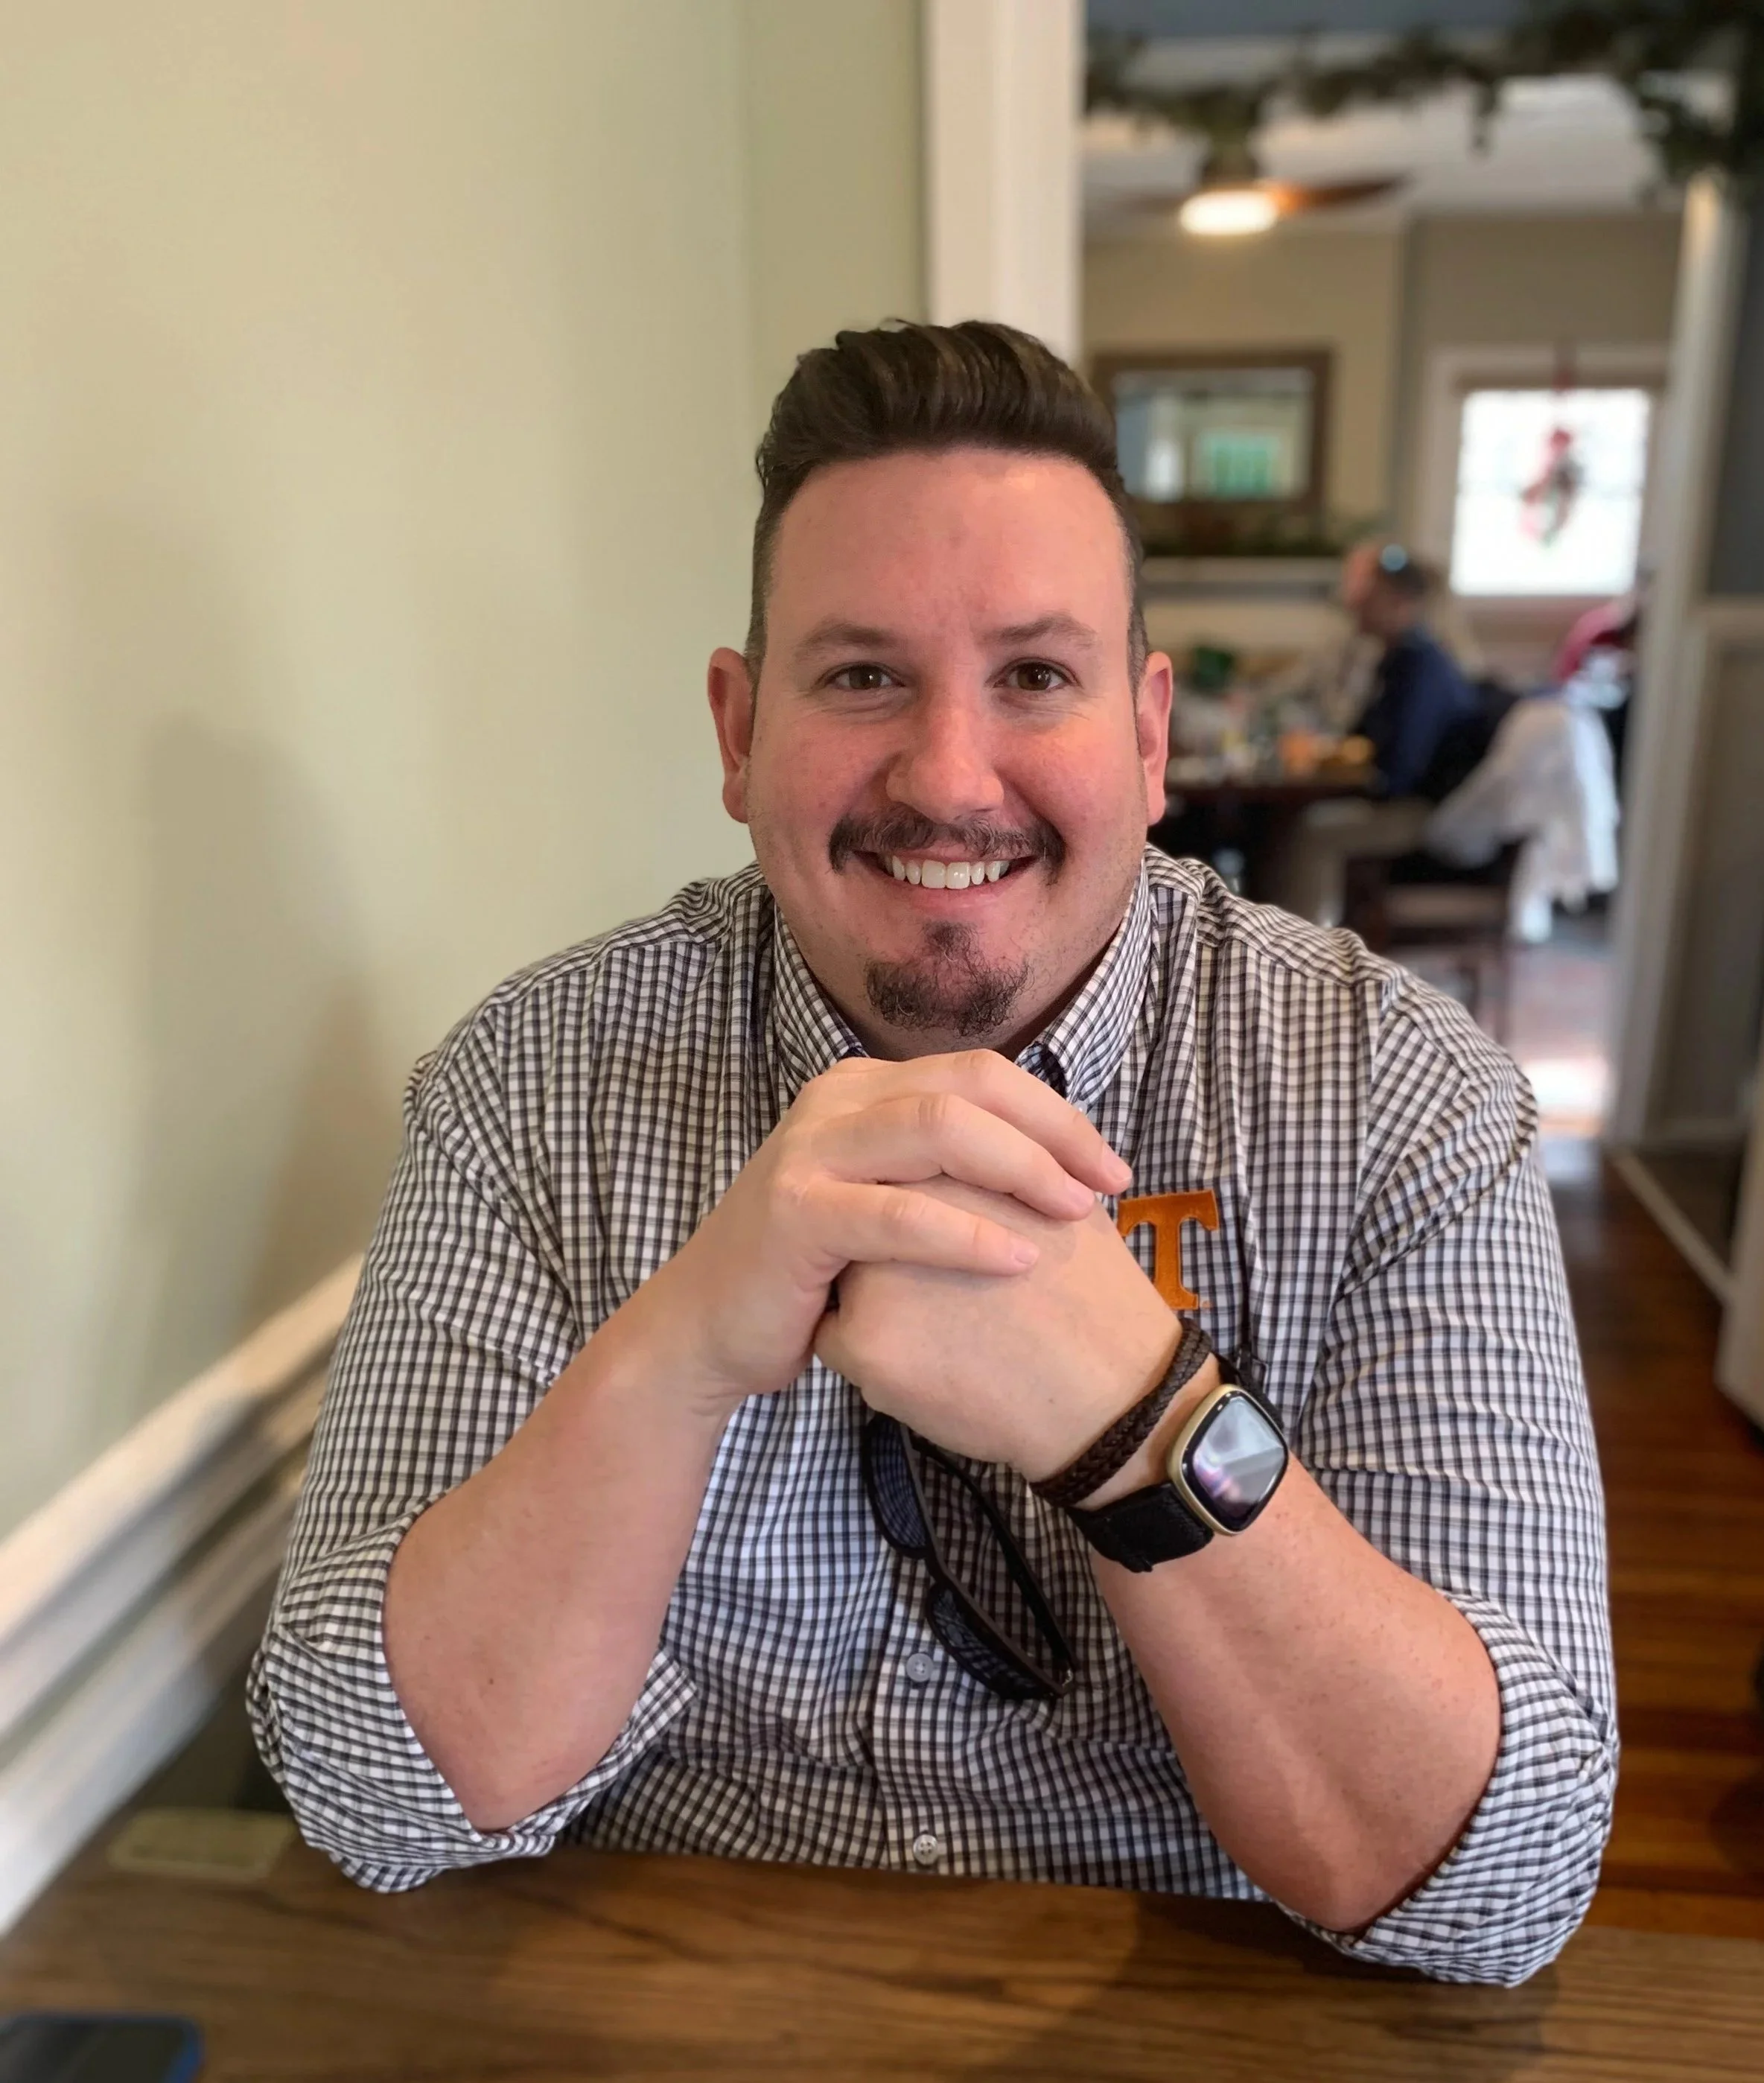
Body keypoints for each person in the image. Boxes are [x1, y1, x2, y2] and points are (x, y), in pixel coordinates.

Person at [249, 321, 1614, 1988]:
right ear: (737, 728)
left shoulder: (1401, 1100)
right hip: (656, 1993)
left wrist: (1146, 1425)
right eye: (861, 676)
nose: (946, 776)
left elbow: (1504, 1883)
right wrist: (675, 1355)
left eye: (1034, 676)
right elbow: (368, 1791)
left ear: (1145, 733)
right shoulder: (528, 1084)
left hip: (1199, 2014)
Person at [1269, 544, 1486, 926]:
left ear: (1402, 603)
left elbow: (1400, 771)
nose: (1356, 607)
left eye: (1369, 599)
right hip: (1403, 800)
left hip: (1426, 811)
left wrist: (1346, 767)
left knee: (1312, 831)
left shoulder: (1421, 667)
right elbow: (1363, 736)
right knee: (1288, 823)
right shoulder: (1396, 659)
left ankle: (1303, 951)